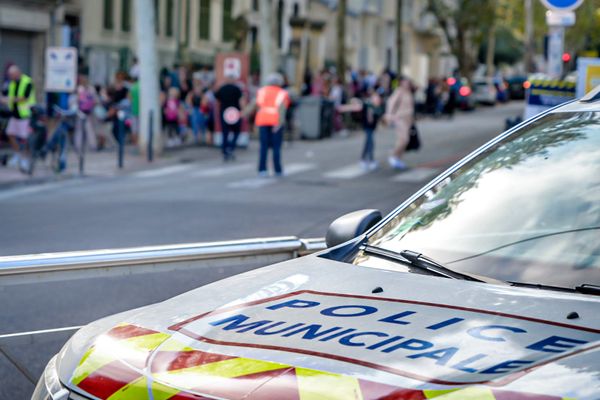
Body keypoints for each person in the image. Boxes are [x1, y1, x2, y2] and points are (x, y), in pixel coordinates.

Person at [253, 73, 290, 177]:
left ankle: (262, 169)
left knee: (263, 146)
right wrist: (279, 123)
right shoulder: (282, 93)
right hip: (275, 122)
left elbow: (254, 104)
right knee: (276, 147)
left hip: (262, 120)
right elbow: (282, 110)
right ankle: (277, 170)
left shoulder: (261, 91)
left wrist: (242, 114)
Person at [3, 65, 35, 171]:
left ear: (17, 72)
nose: (10, 76)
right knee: (10, 134)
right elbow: (6, 93)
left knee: (24, 138)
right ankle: (17, 154)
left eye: (11, 74)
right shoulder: (12, 83)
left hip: (25, 115)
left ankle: (24, 160)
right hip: (14, 114)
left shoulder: (27, 81)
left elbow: (23, 97)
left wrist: (8, 100)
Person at [384, 76, 414, 170]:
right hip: (399, 118)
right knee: (404, 139)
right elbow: (390, 102)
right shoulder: (399, 91)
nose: (407, 83)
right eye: (405, 82)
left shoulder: (408, 92)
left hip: (408, 119)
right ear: (401, 82)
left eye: (408, 82)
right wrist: (389, 114)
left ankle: (398, 158)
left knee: (403, 140)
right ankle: (393, 155)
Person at [215, 71, 243, 161]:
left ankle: (225, 150)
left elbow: (217, 99)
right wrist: (242, 112)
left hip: (224, 112)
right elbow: (241, 101)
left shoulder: (222, 88)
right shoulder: (237, 89)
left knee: (225, 132)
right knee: (236, 131)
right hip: (234, 112)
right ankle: (231, 147)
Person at [360, 88, 384, 170]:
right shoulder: (369, 106)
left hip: (370, 127)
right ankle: (370, 160)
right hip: (368, 127)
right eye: (376, 98)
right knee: (370, 143)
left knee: (367, 143)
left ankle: (364, 160)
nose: (378, 100)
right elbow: (369, 118)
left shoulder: (374, 107)